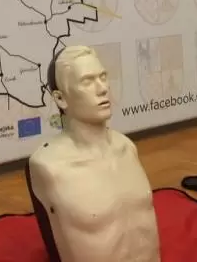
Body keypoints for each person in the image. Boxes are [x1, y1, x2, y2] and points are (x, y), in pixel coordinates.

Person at [26, 45, 160, 262]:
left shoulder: (127, 148)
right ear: (60, 99)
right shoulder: (50, 167)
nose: (103, 88)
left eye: (103, 77)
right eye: (87, 81)